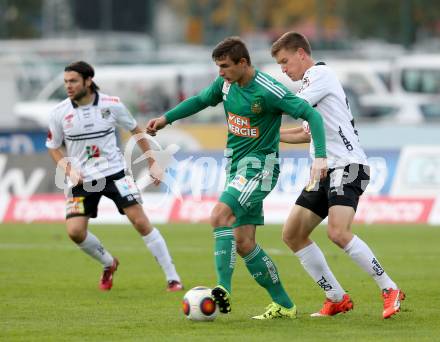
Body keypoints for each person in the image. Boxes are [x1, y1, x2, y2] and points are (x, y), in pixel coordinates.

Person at [146, 37, 328, 319]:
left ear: (243, 63)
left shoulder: (268, 90)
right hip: (236, 169)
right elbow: (199, 101)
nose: (220, 72)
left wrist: (320, 157)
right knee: (244, 243)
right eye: (218, 67)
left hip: (260, 169)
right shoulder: (226, 84)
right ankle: (285, 305)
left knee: (219, 216)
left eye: (225, 66)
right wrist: (166, 118)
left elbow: (311, 117)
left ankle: (223, 287)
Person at [271, 32, 405, 319]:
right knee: (292, 234)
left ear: (301, 54)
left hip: (348, 166)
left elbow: (295, 108)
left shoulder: (320, 74)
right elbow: (303, 132)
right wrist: (268, 135)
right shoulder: (314, 88)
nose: (283, 69)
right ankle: (336, 297)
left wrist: (259, 109)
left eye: (285, 61)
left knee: (337, 232)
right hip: (324, 170)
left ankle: (389, 288)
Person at [46, 61, 183, 292]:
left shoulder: (113, 105)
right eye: (66, 82)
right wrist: (69, 170)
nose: (68, 86)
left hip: (115, 173)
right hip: (83, 180)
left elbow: (136, 131)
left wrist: (153, 162)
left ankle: (173, 278)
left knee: (140, 221)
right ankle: (109, 263)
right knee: (75, 232)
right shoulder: (59, 112)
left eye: (73, 81)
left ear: (88, 81)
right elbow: (53, 146)